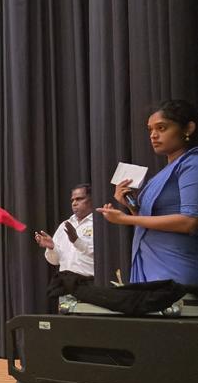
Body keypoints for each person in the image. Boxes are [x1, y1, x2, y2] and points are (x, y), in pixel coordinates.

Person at [99, 99, 198, 285]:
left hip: (175, 264)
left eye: (161, 128)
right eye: (150, 130)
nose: (153, 135)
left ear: (188, 128)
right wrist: (130, 206)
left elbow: (190, 222)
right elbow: (148, 222)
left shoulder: (192, 164)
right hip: (151, 261)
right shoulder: (166, 171)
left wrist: (125, 219)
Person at [34, 184, 95, 306]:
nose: (74, 203)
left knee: (89, 316)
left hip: (89, 283)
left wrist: (76, 241)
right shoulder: (65, 225)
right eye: (72, 200)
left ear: (92, 199)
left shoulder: (98, 222)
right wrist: (51, 247)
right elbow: (55, 261)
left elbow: (99, 253)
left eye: (79, 199)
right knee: (67, 318)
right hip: (66, 285)